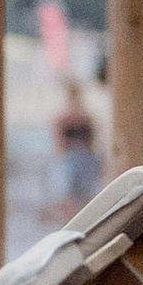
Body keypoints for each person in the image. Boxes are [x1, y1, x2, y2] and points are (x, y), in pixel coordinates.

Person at [51, 81, 101, 213]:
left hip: (84, 156)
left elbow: (93, 139)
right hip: (70, 156)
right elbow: (58, 141)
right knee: (68, 191)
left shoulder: (87, 117)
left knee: (86, 192)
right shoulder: (62, 117)